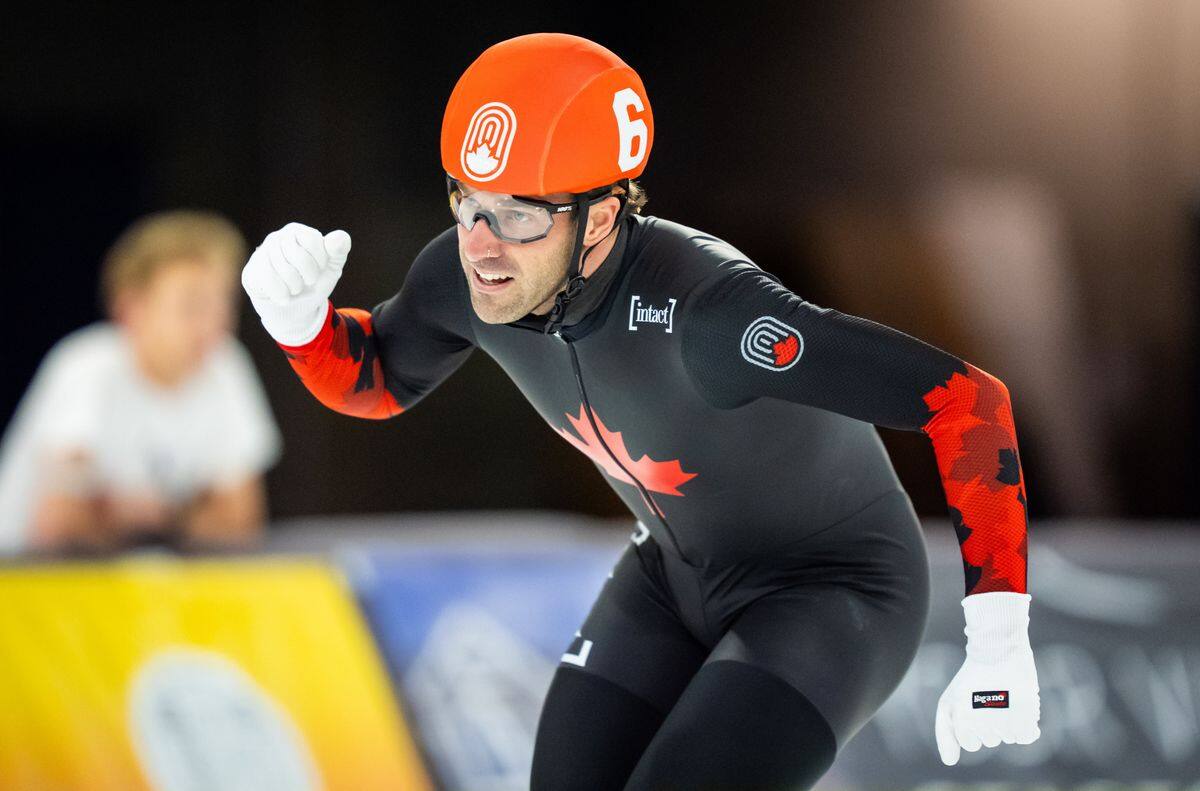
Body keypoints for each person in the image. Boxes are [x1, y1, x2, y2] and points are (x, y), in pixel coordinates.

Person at [241, 33, 1040, 790]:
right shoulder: (464, 275)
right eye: (468, 202)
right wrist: (302, 326)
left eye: (520, 215)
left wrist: (998, 633)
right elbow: (378, 378)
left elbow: (966, 403)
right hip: (672, 571)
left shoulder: (710, 316)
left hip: (831, 590)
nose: (482, 245)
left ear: (602, 215)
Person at [0, 210, 281, 555]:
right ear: (131, 309)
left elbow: (240, 524)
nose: (215, 323)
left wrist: (131, 514)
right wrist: (187, 514)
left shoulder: (225, 365)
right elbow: (57, 527)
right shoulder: (87, 368)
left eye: (222, 302)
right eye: (192, 305)